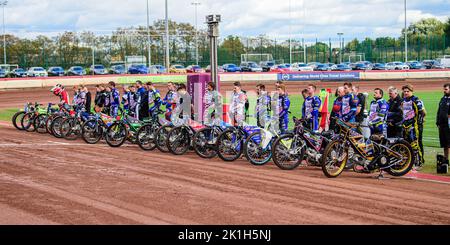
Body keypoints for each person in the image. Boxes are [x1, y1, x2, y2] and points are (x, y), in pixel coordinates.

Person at [401, 84, 426, 168]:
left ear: (412, 91)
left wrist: (420, 120)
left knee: (415, 144)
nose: (406, 93)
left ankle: (419, 162)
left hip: (414, 125)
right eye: (404, 91)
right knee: (407, 144)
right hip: (405, 125)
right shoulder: (403, 100)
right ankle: (409, 162)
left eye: (408, 91)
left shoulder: (416, 100)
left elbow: (423, 112)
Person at [436, 83, 450, 162]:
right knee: (445, 144)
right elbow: (439, 111)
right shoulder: (443, 99)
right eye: (444, 89)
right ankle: (446, 160)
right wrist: (437, 122)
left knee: (449, 143)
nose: (444, 91)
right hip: (442, 125)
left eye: (446, 89)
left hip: (449, 125)